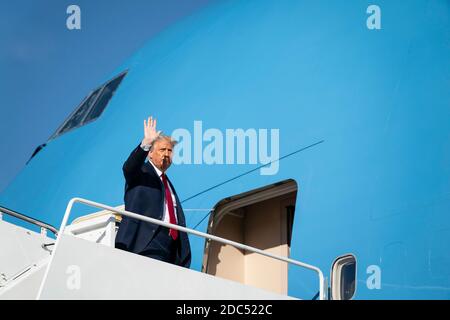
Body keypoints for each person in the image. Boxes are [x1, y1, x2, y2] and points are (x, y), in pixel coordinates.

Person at [115, 116, 191, 268]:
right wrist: (146, 143)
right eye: (162, 149)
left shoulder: (168, 183)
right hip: (147, 240)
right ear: (150, 153)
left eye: (170, 150)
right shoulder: (140, 172)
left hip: (171, 247)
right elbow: (129, 167)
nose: (166, 154)